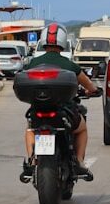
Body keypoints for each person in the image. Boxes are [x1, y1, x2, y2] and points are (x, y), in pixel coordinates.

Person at [21, 22, 100, 180]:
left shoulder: (32, 63)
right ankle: (78, 161)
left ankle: (32, 160)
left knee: (30, 130)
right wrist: (93, 90)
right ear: (63, 42)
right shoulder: (68, 64)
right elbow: (89, 85)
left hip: (38, 112)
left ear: (43, 41)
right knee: (82, 128)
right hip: (63, 113)